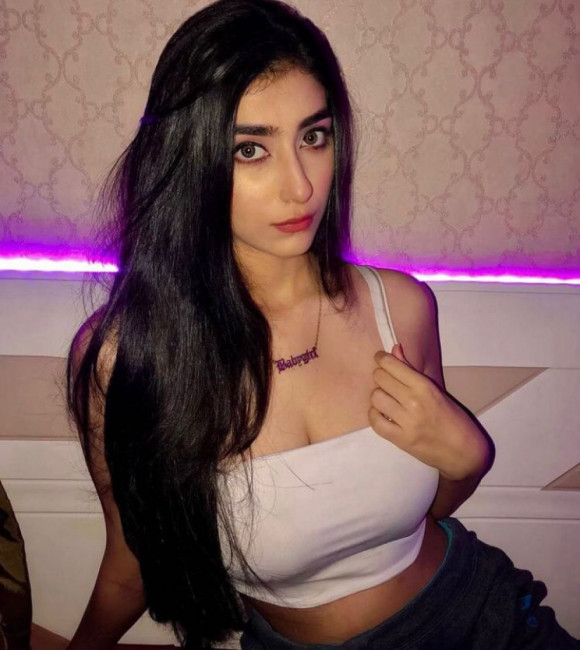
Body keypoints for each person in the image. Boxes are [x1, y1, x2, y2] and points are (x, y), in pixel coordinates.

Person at [65, 1, 579, 648]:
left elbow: (422, 512)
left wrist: (469, 460)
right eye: (250, 149)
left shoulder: (401, 308)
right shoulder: (125, 357)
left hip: (485, 621)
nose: (302, 187)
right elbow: (131, 562)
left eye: (314, 137)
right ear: (189, 158)